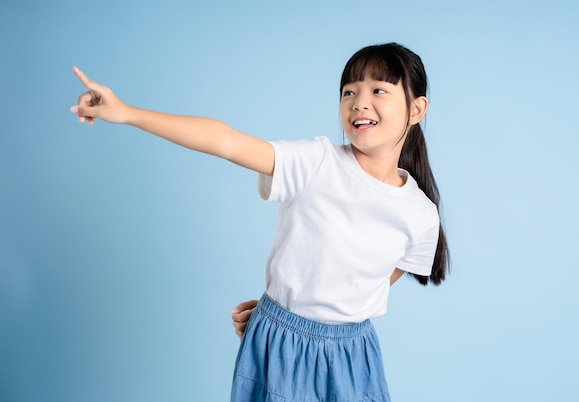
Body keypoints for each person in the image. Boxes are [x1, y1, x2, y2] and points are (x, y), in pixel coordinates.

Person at [71, 42, 449, 402]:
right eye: (348, 92)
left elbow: (366, 281)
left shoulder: (419, 213)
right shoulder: (315, 162)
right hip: (279, 345)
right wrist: (127, 113)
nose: (358, 102)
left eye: (378, 90)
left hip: (353, 357)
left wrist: (308, 305)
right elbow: (228, 141)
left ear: (416, 109)